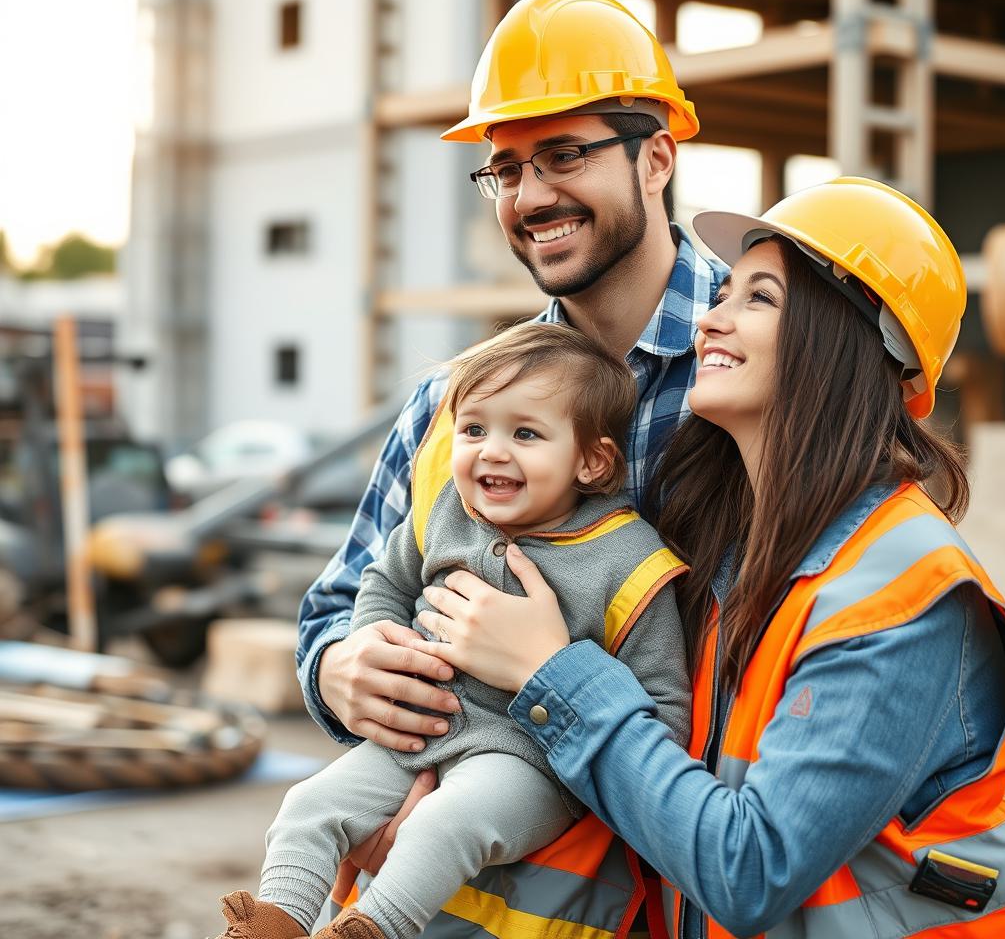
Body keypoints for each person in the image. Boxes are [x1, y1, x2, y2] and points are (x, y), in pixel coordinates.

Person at [387, 177, 1005, 937]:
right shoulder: (743, 552)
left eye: (757, 298)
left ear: (843, 343)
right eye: (723, 295)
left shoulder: (900, 596)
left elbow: (748, 868)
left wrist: (547, 675)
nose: (710, 323)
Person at [289, 0, 722, 939]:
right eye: (505, 170)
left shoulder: (765, 363)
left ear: (657, 156)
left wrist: (555, 677)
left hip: (696, 895)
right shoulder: (460, 400)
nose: (530, 198)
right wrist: (342, 674)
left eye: (565, 155)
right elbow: (335, 606)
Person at [216, 325, 687, 939]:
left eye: (525, 433)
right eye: (473, 429)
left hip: (526, 765)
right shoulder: (444, 512)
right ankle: (272, 925)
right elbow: (383, 582)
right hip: (418, 732)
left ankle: (370, 930)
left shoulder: (629, 560)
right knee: (309, 806)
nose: (491, 450)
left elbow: (665, 704)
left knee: (442, 827)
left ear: (592, 460)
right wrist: (380, 651)